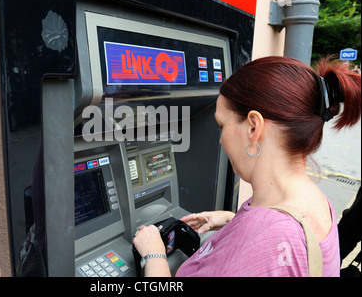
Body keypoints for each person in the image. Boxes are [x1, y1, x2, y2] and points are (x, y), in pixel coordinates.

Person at [133, 56, 361, 277]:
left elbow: (267, 250)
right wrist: (235, 221)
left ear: (254, 128)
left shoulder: (270, 238)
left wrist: (153, 255)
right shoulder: (315, 202)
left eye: (222, 125)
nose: (221, 139)